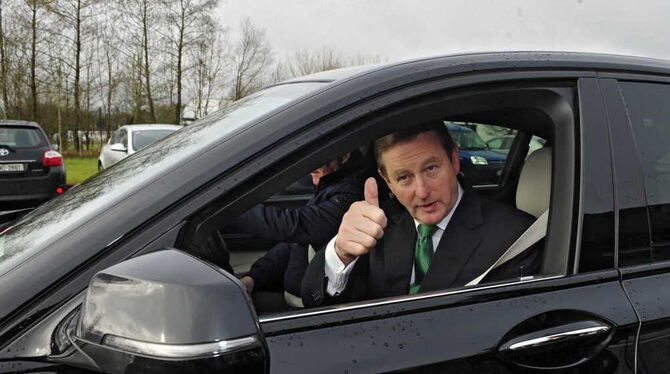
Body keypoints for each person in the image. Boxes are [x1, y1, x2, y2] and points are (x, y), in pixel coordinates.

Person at [301, 123, 542, 307]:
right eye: (404, 177)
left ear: (455, 162)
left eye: (431, 168)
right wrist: (341, 253)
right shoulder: (376, 226)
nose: (422, 192)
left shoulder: (514, 236)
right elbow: (319, 303)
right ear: (387, 181)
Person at [226, 151, 363, 311]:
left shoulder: (351, 194)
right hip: (296, 299)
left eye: (319, 157)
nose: (311, 166)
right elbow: (295, 245)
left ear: (345, 155)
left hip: (311, 310)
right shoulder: (331, 186)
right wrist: (254, 278)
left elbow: (296, 226)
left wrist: (229, 212)